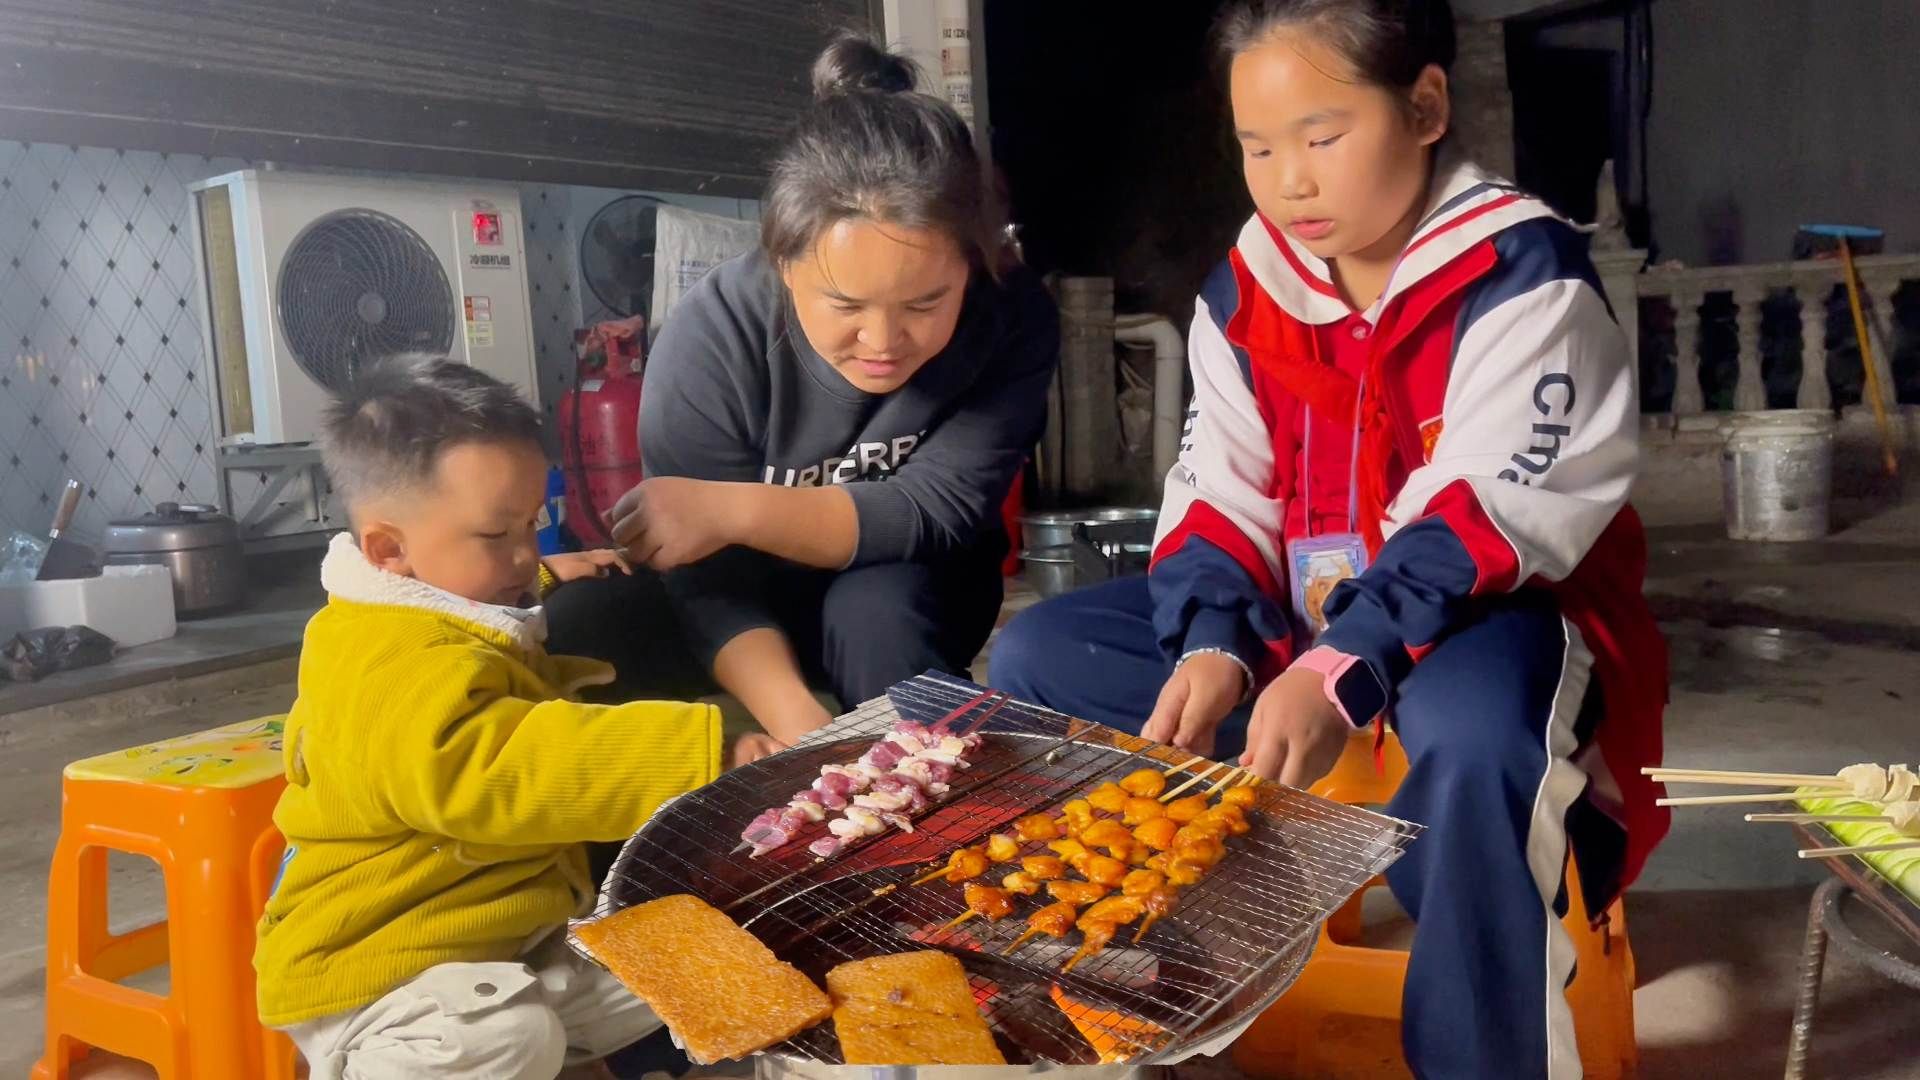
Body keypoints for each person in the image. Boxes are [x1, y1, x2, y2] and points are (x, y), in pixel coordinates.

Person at [988, 2, 1668, 1076]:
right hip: (1301, 616)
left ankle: (1483, 1052)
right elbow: (1220, 490)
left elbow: (1483, 517)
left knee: (1481, 742)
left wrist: (1338, 671)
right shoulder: (1247, 293)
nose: (1289, 180)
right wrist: (1216, 640)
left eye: (1323, 135)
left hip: (1488, 615)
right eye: (1259, 148)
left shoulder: (1522, 279)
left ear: (1426, 106)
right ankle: (1161, 980)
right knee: (1040, 659)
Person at [254, 359, 773, 1079]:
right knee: (505, 1040)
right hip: (383, 975)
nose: (527, 554)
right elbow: (497, 762)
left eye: (534, 522)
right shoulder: (380, 656)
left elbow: (486, 600)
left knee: (703, 959)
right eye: (497, 535)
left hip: (504, 943)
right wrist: (701, 753)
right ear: (388, 550)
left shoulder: (431, 592)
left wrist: (560, 567)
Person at [544, 32, 1058, 749]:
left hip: (908, 582)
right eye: (846, 307)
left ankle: (935, 810)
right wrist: (796, 723)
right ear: (784, 264)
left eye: (923, 305)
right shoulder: (713, 335)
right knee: (580, 628)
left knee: (877, 608)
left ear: (972, 268)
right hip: (744, 596)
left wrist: (730, 508)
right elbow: (704, 573)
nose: (882, 343)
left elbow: (930, 511)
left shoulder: (1010, 316)